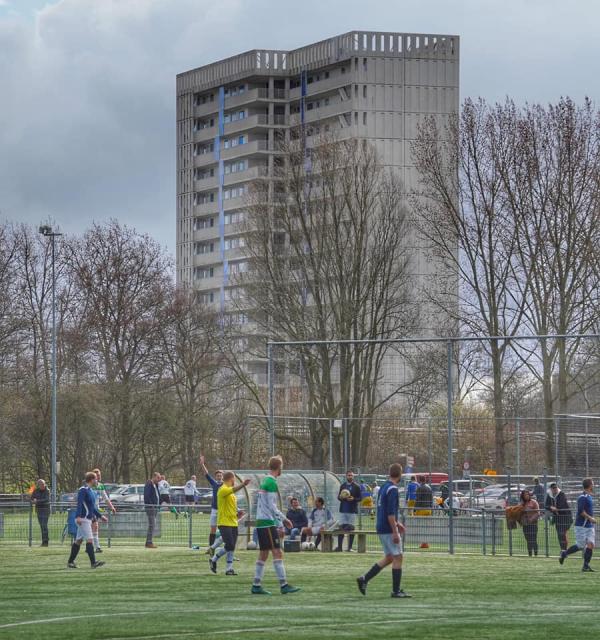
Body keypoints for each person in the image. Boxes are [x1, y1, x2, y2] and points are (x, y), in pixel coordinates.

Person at [356, 463, 411, 598]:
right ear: (400, 474)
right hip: (387, 528)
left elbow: (384, 509)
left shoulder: (383, 487)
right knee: (398, 557)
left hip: (381, 526)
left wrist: (398, 524)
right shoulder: (392, 489)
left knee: (390, 557)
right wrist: (395, 531)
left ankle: (364, 579)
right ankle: (396, 591)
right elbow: (390, 513)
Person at [251, 455, 300, 595]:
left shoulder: (265, 479)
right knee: (277, 552)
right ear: (279, 467)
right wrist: (283, 521)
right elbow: (272, 506)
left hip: (262, 522)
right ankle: (283, 585)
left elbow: (266, 505)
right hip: (267, 522)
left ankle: (256, 585)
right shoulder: (271, 482)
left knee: (264, 554)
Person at [209, 472, 250, 575]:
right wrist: (243, 484)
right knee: (230, 544)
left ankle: (228, 568)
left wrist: (238, 512)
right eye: (234, 480)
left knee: (231, 546)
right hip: (224, 522)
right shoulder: (222, 489)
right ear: (231, 479)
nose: (235, 482)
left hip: (233, 522)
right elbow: (233, 489)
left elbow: (231, 506)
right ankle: (214, 559)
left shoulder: (231, 494)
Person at [67, 471, 107, 569]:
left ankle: (70, 562)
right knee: (90, 539)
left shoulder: (91, 491)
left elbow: (92, 508)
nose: (97, 480)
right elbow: (79, 503)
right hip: (83, 519)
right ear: (92, 479)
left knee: (78, 541)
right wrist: (78, 516)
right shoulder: (83, 490)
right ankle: (93, 563)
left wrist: (100, 516)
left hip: (87, 519)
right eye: (96, 479)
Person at [559, 478, 595, 572]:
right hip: (580, 526)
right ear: (589, 485)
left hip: (589, 526)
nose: (594, 485)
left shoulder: (590, 496)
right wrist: (590, 518)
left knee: (591, 544)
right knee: (580, 546)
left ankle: (585, 566)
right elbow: (581, 512)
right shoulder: (582, 497)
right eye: (593, 484)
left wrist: (591, 520)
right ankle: (564, 553)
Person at [335, 469, 362, 552]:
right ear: (346, 476)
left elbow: (360, 498)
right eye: (348, 475)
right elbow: (339, 497)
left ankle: (349, 547)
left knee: (351, 529)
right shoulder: (343, 486)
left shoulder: (356, 487)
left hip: (352, 511)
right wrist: (341, 497)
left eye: (351, 475)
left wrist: (353, 499)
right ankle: (339, 547)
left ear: (353, 476)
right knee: (341, 528)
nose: (350, 476)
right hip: (343, 510)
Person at [200, 455, 223, 548]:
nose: (219, 476)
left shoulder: (226, 484)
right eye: (217, 475)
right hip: (214, 509)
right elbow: (206, 474)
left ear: (223, 476)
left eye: (220, 475)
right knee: (213, 529)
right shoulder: (214, 483)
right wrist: (202, 464)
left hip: (222, 510)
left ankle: (224, 546)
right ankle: (211, 547)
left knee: (223, 529)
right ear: (216, 477)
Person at [91, 468, 116, 553]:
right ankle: (97, 547)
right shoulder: (89, 486)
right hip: (89, 509)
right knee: (95, 526)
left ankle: (89, 547)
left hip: (95, 510)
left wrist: (112, 507)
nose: (99, 476)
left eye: (99, 475)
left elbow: (106, 498)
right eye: (97, 475)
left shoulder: (101, 486)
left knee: (91, 529)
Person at [545, 482, 573, 551]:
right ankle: (563, 550)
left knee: (562, 533)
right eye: (553, 488)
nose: (555, 489)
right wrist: (551, 507)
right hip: (558, 518)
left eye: (556, 487)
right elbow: (546, 505)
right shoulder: (549, 495)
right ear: (550, 489)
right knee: (560, 535)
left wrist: (555, 508)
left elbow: (561, 505)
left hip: (566, 517)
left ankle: (564, 550)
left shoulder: (561, 494)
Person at [519, 489, 540, 556]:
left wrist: (531, 519)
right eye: (525, 495)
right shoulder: (522, 504)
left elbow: (538, 512)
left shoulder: (534, 502)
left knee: (533, 539)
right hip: (525, 524)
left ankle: (536, 554)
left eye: (527, 494)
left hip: (533, 524)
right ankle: (530, 554)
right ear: (523, 496)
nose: (526, 496)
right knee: (528, 539)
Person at [31, 479, 50, 547]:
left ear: (44, 484)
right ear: (38, 485)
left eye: (43, 484)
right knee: (42, 526)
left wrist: (37, 501)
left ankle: (46, 542)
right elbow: (32, 498)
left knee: (44, 525)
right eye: (40, 484)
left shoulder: (47, 490)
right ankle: (44, 542)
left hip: (45, 510)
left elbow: (46, 499)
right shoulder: (35, 490)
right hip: (39, 510)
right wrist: (33, 500)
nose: (42, 486)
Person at [144, 472, 161, 549]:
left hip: (155, 508)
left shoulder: (156, 485)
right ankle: (149, 542)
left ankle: (149, 542)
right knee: (152, 525)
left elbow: (157, 495)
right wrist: (151, 505)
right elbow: (147, 496)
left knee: (152, 525)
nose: (159, 479)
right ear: (154, 477)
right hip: (150, 508)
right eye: (158, 478)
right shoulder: (149, 484)